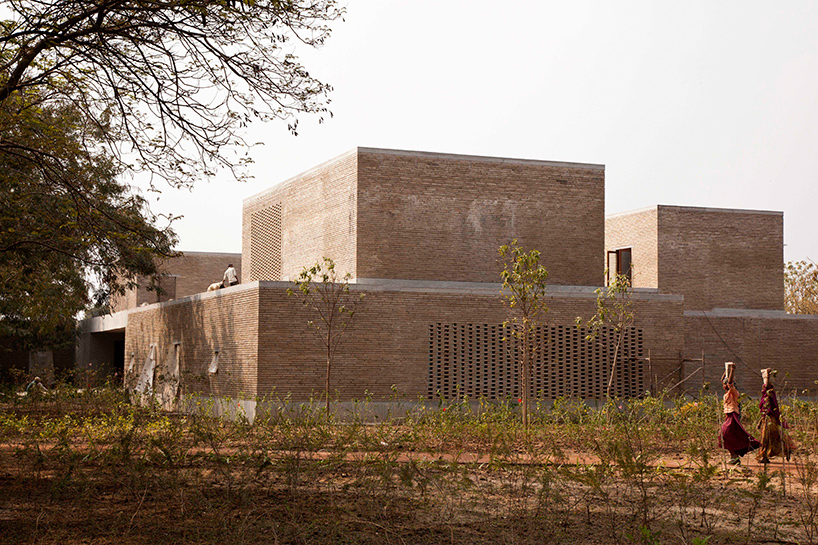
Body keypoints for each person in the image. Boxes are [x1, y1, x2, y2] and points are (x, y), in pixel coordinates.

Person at [719, 364, 760, 465]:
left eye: (726, 384)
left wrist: (732, 371)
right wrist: (726, 371)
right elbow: (723, 380)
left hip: (733, 415)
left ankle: (734, 456)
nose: (724, 385)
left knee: (724, 435)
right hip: (728, 416)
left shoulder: (734, 392)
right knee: (728, 436)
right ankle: (734, 456)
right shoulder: (726, 393)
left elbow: (729, 382)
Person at [756, 368, 794, 463]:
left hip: (770, 420)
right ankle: (785, 450)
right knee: (774, 438)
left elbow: (768, 410)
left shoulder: (769, 395)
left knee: (766, 439)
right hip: (768, 420)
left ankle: (765, 456)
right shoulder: (766, 395)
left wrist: (767, 375)